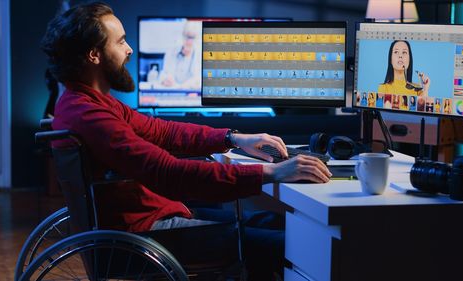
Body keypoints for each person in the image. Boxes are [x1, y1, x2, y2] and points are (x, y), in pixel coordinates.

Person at [41, 2, 332, 280]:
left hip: (149, 221)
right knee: (292, 244)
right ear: (94, 55)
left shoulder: (89, 104)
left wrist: (233, 138)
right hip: (143, 236)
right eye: (120, 42)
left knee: (278, 224)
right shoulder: (89, 114)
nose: (129, 50)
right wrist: (272, 172)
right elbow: (167, 172)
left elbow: (162, 131)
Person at [158, 21, 200, 89]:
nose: (189, 41)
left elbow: (200, 79)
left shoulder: (199, 55)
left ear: (197, 38)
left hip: (191, 94)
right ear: (182, 36)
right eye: (187, 37)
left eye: (192, 37)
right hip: (173, 92)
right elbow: (163, 74)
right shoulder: (171, 52)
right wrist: (165, 79)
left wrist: (187, 85)